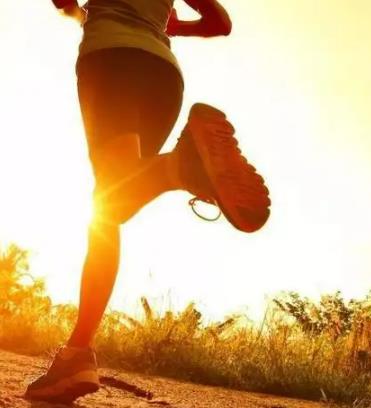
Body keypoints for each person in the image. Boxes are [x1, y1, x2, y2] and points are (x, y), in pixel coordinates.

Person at [25, 0, 270, 402]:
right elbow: (219, 22)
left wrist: (79, 13)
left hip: (110, 58)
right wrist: (172, 26)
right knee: (113, 203)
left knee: (109, 205)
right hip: (163, 74)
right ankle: (77, 353)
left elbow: (63, 3)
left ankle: (180, 166)